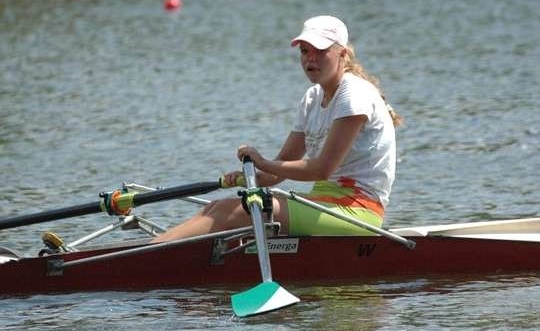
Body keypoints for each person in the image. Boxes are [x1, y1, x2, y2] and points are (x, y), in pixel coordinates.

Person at [152, 15, 402, 242]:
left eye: (320, 51)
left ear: (343, 54)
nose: (310, 59)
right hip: (325, 202)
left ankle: (144, 261)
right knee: (217, 208)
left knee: (241, 211)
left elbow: (322, 169)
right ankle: (147, 252)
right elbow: (279, 169)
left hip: (358, 210)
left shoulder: (353, 93)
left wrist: (262, 161)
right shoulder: (312, 98)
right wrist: (248, 177)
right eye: (305, 51)